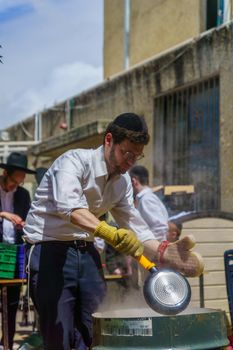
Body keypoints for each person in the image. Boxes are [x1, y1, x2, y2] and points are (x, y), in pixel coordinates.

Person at [23, 112, 204, 350]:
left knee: (97, 325)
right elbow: (70, 209)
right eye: (126, 153)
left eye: (136, 157)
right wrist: (109, 232)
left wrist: (163, 252)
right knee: (60, 334)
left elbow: (133, 224)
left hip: (86, 251)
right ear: (109, 140)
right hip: (49, 249)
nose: (130, 162)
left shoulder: (122, 182)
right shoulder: (73, 162)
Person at [0, 152, 35, 350]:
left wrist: (23, 225)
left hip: (13, 252)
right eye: (13, 181)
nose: (15, 186)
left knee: (12, 302)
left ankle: (7, 344)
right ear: (5, 173)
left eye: (19, 182)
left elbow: (29, 221)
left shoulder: (23, 195)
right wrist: (4, 214)